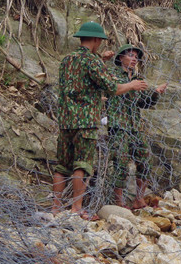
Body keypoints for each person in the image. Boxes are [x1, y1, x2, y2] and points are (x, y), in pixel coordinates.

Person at [53, 22, 147, 219]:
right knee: (83, 164)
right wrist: (131, 85)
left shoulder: (67, 59)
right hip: (85, 120)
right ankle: (76, 208)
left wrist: (100, 60)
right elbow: (112, 88)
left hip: (65, 119)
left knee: (62, 165)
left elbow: (79, 81)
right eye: (100, 41)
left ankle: (55, 207)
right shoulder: (92, 61)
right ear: (96, 40)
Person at [107, 45, 167, 209]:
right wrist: (131, 85)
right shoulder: (112, 75)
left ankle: (138, 199)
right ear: (121, 58)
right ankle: (119, 202)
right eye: (131, 56)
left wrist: (155, 92)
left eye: (136, 57)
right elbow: (111, 91)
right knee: (121, 162)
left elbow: (144, 102)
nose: (134, 59)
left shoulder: (138, 77)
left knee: (145, 159)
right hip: (118, 125)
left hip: (135, 125)